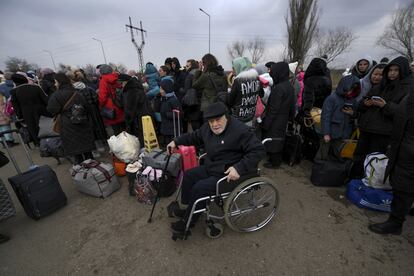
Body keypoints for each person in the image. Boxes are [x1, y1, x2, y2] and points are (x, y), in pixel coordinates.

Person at [167, 102, 265, 233]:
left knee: (199, 188)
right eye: (211, 121)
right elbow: (194, 136)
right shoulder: (207, 128)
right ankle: (190, 208)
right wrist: (176, 141)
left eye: (218, 119)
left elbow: (258, 150)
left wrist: (239, 168)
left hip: (228, 173)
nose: (214, 124)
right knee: (189, 175)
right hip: (212, 165)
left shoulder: (240, 130)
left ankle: (188, 222)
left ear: (226, 117)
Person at [350, 56, 414, 179]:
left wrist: (385, 106)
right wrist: (365, 104)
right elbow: (361, 104)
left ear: (403, 70)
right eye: (390, 70)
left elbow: (404, 114)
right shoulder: (382, 84)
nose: (392, 73)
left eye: (396, 70)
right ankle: (354, 182)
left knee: (374, 162)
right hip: (367, 128)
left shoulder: (407, 88)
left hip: (383, 133)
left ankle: (370, 186)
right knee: (359, 156)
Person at [368, 86, 414, 235]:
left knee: (404, 189)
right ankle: (397, 218)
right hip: (402, 148)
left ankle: (395, 223)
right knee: (401, 188)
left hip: (408, 152)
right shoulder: (409, 95)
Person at [47, 73, 95, 164]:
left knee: (76, 152)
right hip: (82, 122)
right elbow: (87, 107)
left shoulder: (56, 95)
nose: (55, 84)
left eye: (56, 82)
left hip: (67, 125)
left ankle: (81, 171)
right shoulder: (77, 92)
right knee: (87, 150)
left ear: (60, 82)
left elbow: (51, 110)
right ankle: (94, 169)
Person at [261, 62, 295, 168]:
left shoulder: (279, 88)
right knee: (279, 139)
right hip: (283, 118)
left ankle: (274, 162)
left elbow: (273, 109)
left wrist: (266, 123)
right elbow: (292, 105)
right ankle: (275, 159)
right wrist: (291, 118)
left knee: (273, 139)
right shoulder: (289, 85)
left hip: (276, 119)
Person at [319, 75, 360, 161]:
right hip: (331, 133)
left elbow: (356, 115)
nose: (350, 92)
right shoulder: (332, 99)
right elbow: (325, 116)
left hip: (344, 135)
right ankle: (320, 170)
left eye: (353, 90)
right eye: (349, 89)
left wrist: (352, 113)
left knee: (339, 156)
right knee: (324, 155)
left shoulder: (353, 101)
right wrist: (326, 133)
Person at [68, 70, 107, 147]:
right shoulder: (88, 88)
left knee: (88, 130)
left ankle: (94, 147)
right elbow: (96, 99)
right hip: (94, 112)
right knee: (98, 127)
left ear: (72, 81)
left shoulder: (72, 92)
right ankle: (102, 144)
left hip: (82, 113)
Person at [10, 73, 49, 146]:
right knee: (45, 126)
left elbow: (16, 106)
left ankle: (39, 144)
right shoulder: (36, 87)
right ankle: (49, 141)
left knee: (33, 128)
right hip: (41, 110)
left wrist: (20, 116)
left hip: (27, 113)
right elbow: (45, 100)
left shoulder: (14, 92)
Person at [118, 73, 153, 146]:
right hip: (145, 115)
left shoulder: (130, 91)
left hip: (137, 118)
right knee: (146, 136)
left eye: (121, 83)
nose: (121, 85)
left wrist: (128, 123)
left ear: (125, 82)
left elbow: (130, 109)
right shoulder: (136, 87)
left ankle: (143, 152)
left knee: (141, 138)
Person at [227, 57, 263, 126]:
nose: (233, 71)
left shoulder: (238, 81)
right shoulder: (256, 78)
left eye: (234, 68)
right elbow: (261, 94)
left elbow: (230, 101)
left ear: (239, 68)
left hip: (239, 118)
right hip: (251, 115)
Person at [98, 64, 125, 136]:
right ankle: (130, 144)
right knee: (124, 129)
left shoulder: (103, 80)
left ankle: (122, 146)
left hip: (111, 109)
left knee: (117, 132)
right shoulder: (116, 78)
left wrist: (100, 106)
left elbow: (102, 97)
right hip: (120, 105)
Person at [159, 78, 182, 144]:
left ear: (166, 89)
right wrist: (156, 99)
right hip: (166, 128)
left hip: (173, 130)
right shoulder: (164, 98)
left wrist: (167, 114)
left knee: (173, 147)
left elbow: (179, 114)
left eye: (161, 89)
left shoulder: (173, 100)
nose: (160, 91)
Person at [182, 59, 202, 132]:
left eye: (187, 66)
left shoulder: (189, 76)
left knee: (195, 130)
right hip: (202, 105)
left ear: (191, 66)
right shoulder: (201, 74)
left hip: (193, 106)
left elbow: (186, 91)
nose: (186, 67)